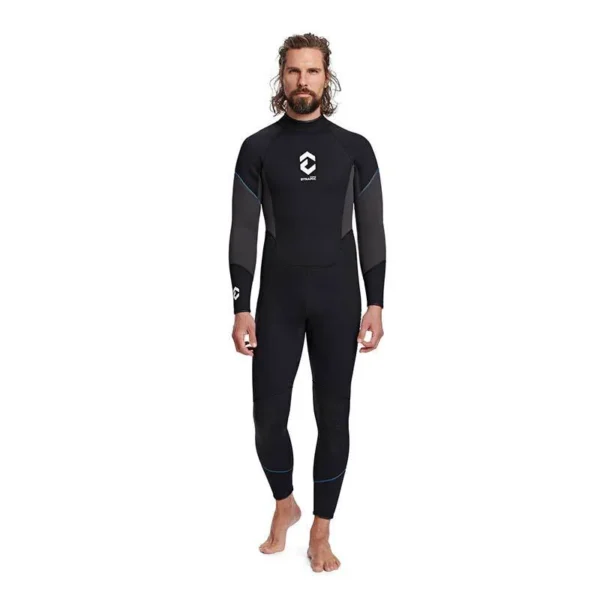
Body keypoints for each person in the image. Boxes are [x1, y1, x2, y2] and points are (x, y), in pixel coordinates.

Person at [228, 33, 386, 573]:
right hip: (277, 300)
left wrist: (376, 303)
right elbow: (243, 230)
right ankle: (285, 503)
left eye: (312, 71)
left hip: (338, 299)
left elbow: (372, 229)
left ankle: (321, 529)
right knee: (267, 418)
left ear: (327, 77)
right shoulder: (258, 148)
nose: (303, 81)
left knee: (332, 415)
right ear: (282, 77)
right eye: (294, 71)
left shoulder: (354, 148)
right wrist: (240, 306)